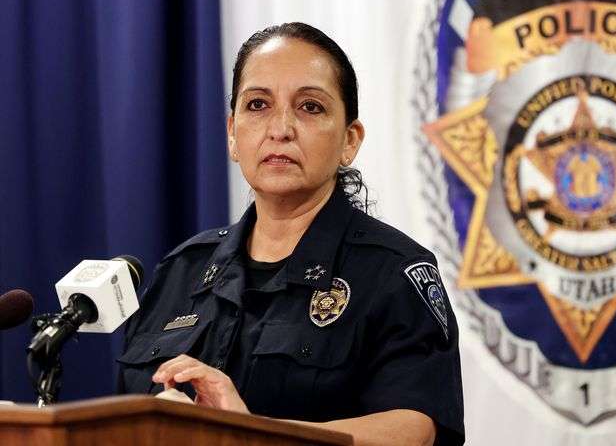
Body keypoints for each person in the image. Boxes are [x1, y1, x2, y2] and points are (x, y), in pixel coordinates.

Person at [117, 22, 464, 446]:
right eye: (258, 104)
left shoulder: (393, 272)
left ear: (349, 141)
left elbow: (415, 430)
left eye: (310, 107)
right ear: (232, 134)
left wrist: (250, 436)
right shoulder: (181, 271)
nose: (280, 128)